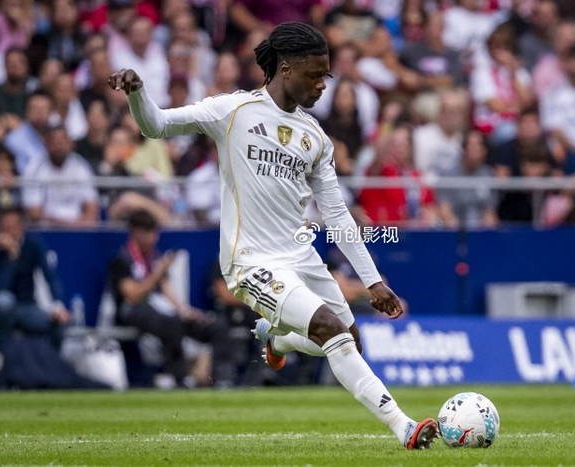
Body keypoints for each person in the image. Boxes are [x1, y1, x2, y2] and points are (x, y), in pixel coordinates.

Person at [109, 21, 437, 449]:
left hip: (300, 257)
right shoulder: (233, 111)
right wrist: (138, 93)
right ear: (285, 68)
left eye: (326, 76)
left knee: (348, 339)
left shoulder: (316, 137)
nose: (322, 85)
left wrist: (372, 281)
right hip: (251, 262)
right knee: (329, 328)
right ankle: (404, 427)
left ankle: (278, 339)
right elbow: (156, 125)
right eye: (314, 75)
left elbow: (337, 214)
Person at [108, 209, 234, 388]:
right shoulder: (122, 260)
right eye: (148, 233)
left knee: (216, 325)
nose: (153, 238)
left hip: (162, 310)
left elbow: (167, 291)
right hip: (134, 310)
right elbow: (133, 295)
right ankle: (180, 379)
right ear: (135, 232)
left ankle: (223, 380)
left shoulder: (155, 257)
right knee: (171, 324)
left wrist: (185, 311)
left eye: (155, 233)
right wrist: (157, 273)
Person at [0, 207, 70, 354]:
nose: (10, 231)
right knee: (4, 302)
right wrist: (11, 257)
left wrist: (57, 306)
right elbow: (2, 286)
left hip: (26, 305)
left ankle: (53, 362)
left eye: (13, 226)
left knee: (56, 322)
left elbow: (49, 275)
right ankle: (3, 357)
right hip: (2, 306)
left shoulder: (33, 244)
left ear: (21, 227)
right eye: (5, 227)